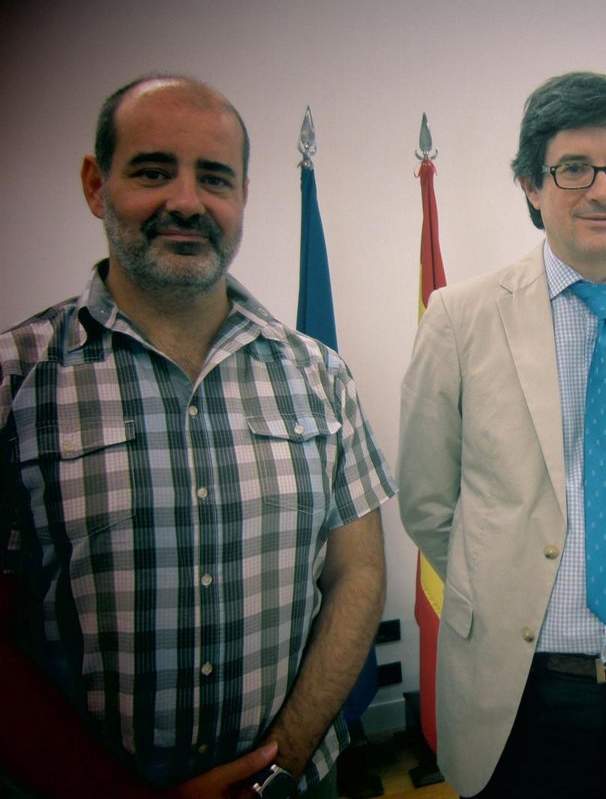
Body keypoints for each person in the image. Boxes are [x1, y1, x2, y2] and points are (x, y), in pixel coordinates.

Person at [0, 75, 395, 798]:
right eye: (153, 171)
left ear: (243, 196)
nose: (187, 201)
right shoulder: (16, 381)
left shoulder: (319, 374)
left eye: (214, 178)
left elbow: (358, 574)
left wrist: (277, 768)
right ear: (96, 185)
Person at [397, 71, 606, 797]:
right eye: (574, 169)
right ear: (530, 185)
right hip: (522, 691)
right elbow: (427, 502)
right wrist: (500, 579)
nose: (603, 190)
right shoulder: (459, 319)